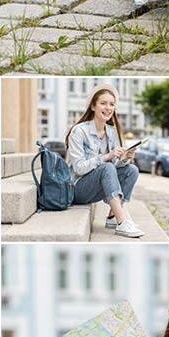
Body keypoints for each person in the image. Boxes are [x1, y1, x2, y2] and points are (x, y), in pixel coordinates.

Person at [65, 82, 141, 237]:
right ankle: (122, 222)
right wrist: (106, 156)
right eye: (103, 103)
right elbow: (79, 168)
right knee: (106, 167)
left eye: (112, 104)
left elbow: (113, 167)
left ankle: (113, 217)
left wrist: (124, 159)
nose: (108, 108)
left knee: (131, 170)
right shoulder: (79, 131)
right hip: (77, 188)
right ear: (93, 106)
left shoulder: (112, 132)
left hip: (96, 186)